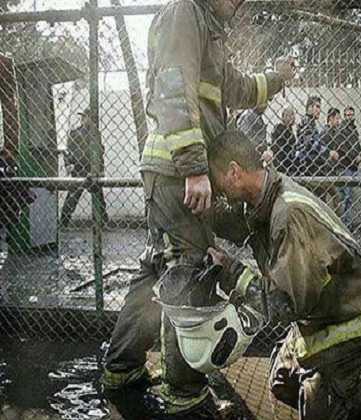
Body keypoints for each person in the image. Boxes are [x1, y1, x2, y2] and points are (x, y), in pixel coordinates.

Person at [101, 0, 295, 416]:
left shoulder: (207, 27)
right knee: (189, 272)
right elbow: (173, 87)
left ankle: (121, 369)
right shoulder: (184, 12)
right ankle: (184, 394)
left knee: (158, 268)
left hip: (172, 172)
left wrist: (277, 79)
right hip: (179, 171)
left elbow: (237, 88)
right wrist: (194, 168)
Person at [207, 129, 361, 420]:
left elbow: (284, 304)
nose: (217, 190)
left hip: (350, 316)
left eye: (217, 181)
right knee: (282, 382)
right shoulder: (263, 196)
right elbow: (237, 225)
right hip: (319, 313)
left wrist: (231, 272)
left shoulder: (289, 215)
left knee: (322, 412)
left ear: (234, 172)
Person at [60, 109, 108, 228]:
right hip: (79, 168)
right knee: (73, 197)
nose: (83, 119)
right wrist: (68, 164)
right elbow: (68, 150)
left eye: (86, 117)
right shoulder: (75, 133)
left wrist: (101, 169)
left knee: (98, 197)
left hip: (91, 169)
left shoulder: (95, 134)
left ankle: (102, 222)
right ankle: (63, 222)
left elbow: (99, 153)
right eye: (83, 117)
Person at [337, 105, 361, 228]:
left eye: (351, 115)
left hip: (353, 167)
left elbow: (357, 146)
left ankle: (346, 223)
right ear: (344, 116)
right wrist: (355, 157)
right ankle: (345, 225)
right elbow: (343, 148)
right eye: (347, 115)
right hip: (345, 166)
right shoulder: (342, 130)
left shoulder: (354, 130)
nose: (349, 117)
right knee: (346, 197)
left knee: (349, 197)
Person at [271, 106, 297, 174]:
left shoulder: (290, 130)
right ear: (283, 117)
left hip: (289, 162)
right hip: (281, 162)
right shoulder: (279, 129)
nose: (292, 117)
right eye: (288, 115)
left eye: (292, 114)